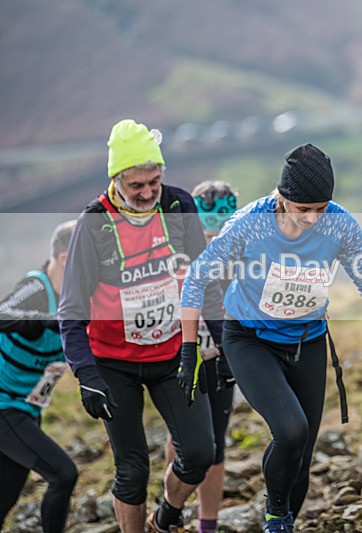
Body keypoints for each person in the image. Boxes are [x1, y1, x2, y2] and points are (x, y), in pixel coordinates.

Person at [180, 144, 362, 533]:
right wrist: (188, 349)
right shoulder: (249, 222)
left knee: (301, 454)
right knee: (290, 431)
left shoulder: (339, 224)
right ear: (281, 198)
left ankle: (285, 521)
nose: (313, 219)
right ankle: (276, 514)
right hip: (250, 340)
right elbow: (197, 277)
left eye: (321, 208)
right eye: (304, 210)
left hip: (308, 341)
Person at [58, 119, 225, 533]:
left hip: (171, 354)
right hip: (113, 363)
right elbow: (71, 309)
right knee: (132, 470)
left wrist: (224, 346)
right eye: (137, 186)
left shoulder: (178, 206)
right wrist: (87, 373)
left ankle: (165, 515)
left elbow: (205, 284)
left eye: (154, 181)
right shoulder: (93, 223)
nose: (148, 193)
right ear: (116, 179)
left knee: (202, 453)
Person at [163, 180, 238, 533]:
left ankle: (207, 524)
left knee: (216, 442)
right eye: (207, 224)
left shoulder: (238, 250)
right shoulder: (177, 250)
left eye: (221, 223)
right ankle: (173, 510)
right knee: (182, 437)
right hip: (184, 354)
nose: (213, 233)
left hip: (220, 354)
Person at [0, 220, 79, 533]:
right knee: (63, 474)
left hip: (27, 409)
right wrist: (42, 320)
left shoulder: (79, 296)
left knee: (5, 497)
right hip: (4, 405)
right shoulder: (36, 287)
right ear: (64, 259)